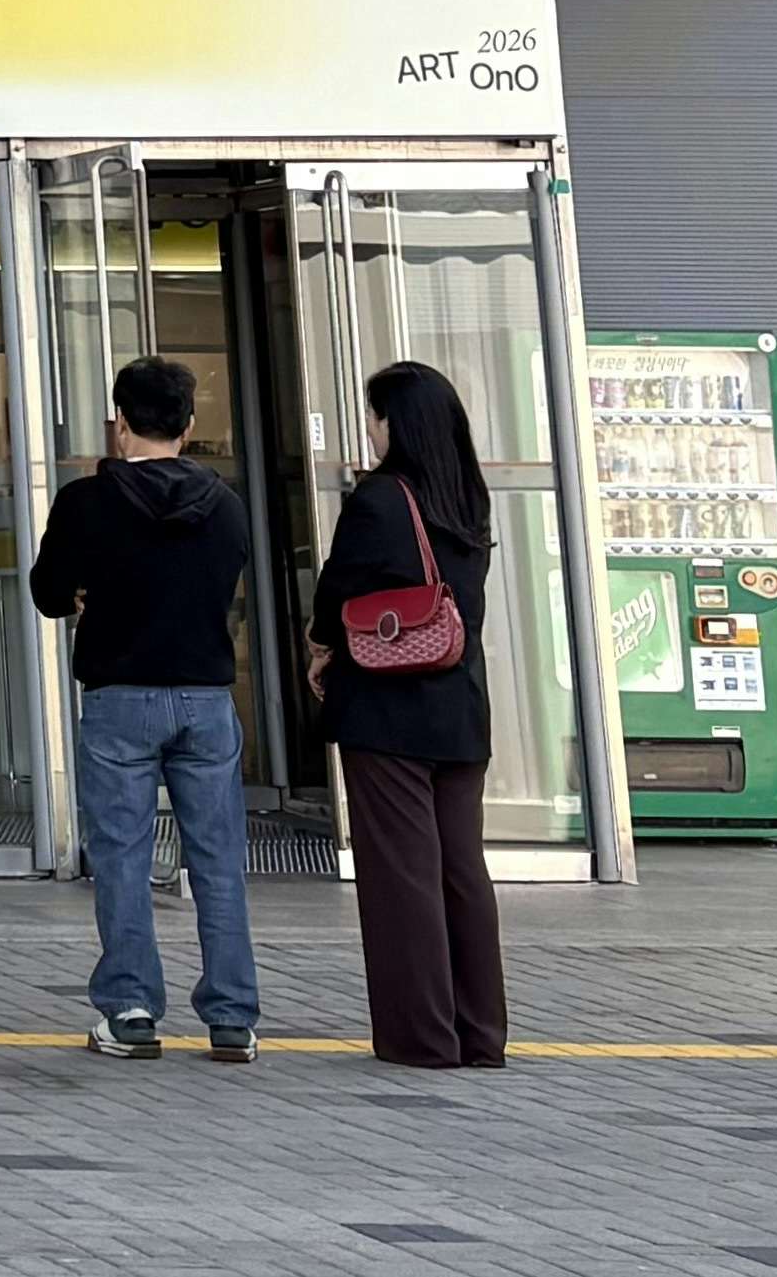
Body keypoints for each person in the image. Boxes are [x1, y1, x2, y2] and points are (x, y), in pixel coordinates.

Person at [27, 352, 260, 1063]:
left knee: (123, 855)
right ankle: (232, 1017)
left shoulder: (86, 501)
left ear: (119, 422)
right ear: (187, 425)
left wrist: (87, 593)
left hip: (120, 696)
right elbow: (223, 582)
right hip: (205, 698)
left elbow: (46, 591)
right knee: (218, 860)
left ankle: (130, 1009)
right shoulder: (225, 504)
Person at [311, 360, 506, 1071]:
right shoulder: (468, 495)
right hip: (460, 709)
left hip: (388, 709)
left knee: (403, 877)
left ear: (396, 421)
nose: (369, 427)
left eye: (374, 415)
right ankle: (480, 1034)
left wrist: (320, 646)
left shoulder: (379, 498)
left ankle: (421, 1038)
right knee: (461, 872)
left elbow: (337, 592)